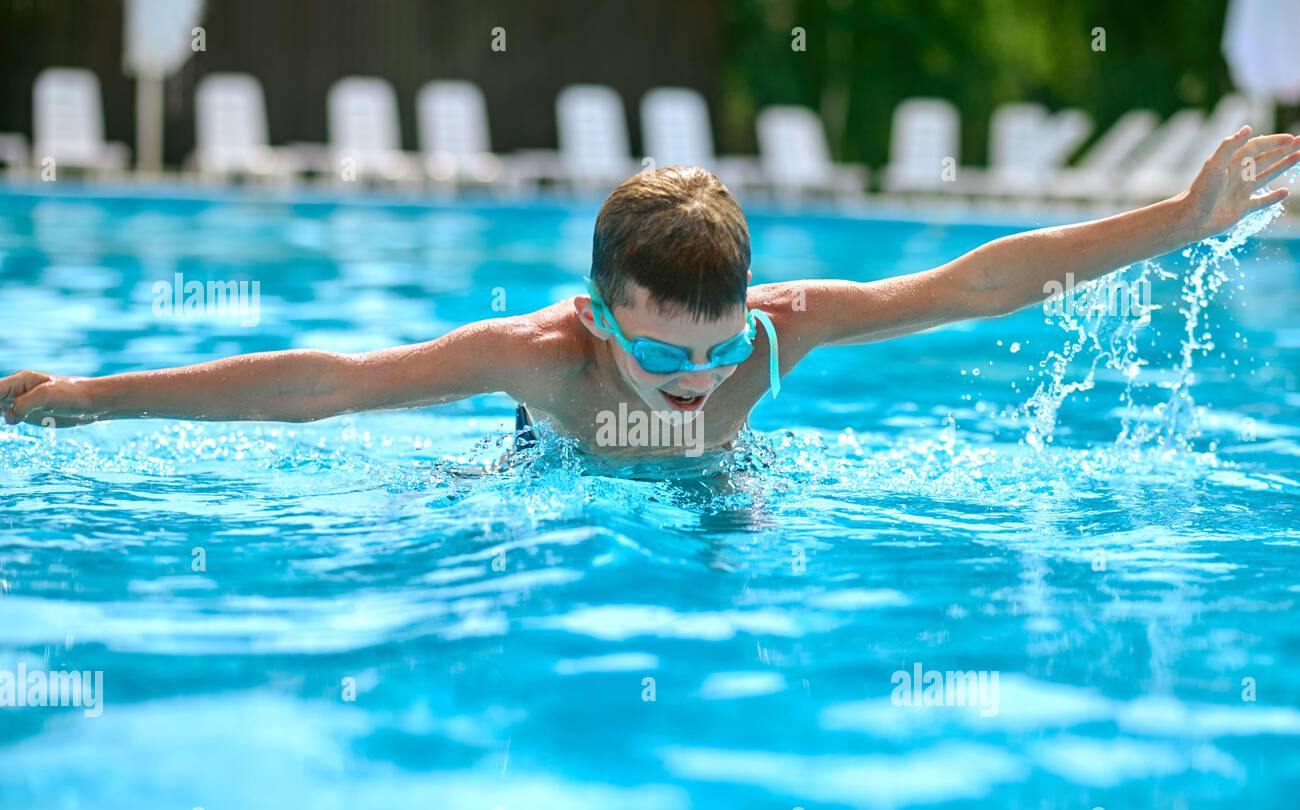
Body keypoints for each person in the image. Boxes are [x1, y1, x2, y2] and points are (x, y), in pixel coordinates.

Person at [3, 127, 1297, 461]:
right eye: (661, 358)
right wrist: (85, 397)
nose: (694, 383)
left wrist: (1180, 227)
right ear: (596, 313)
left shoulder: (770, 340)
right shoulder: (540, 358)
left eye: (712, 355)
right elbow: (324, 385)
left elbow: (976, 283)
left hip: (719, 503)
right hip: (548, 485)